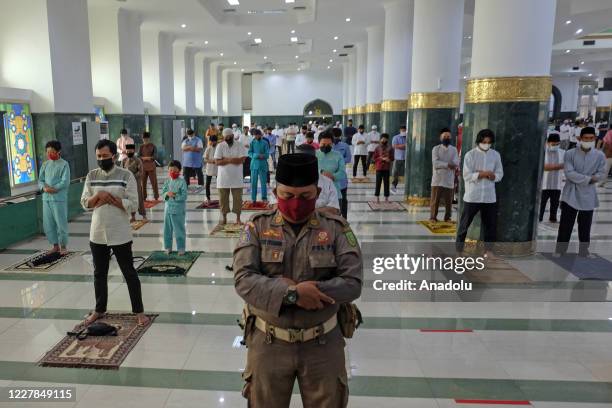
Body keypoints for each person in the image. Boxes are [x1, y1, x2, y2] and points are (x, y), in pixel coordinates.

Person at [233, 153, 363, 408]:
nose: (296, 204)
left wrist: (313, 292)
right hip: (268, 343)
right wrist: (292, 293)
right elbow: (243, 279)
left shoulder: (336, 228)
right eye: (287, 196)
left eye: (305, 197)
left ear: (316, 191)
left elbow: (352, 283)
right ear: (275, 191)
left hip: (323, 345)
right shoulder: (257, 227)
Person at [80, 139, 148, 326]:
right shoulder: (92, 175)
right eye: (99, 156)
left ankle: (139, 312)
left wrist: (113, 200)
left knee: (129, 272)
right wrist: (99, 196)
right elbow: (85, 203)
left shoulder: (126, 176)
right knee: (99, 273)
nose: (102, 159)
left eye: (105, 156)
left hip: (120, 232)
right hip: (98, 232)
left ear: (114, 156)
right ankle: (99, 310)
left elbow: (133, 204)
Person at [555, 127, 607, 257]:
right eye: (586, 138)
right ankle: (560, 250)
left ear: (595, 139)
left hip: (588, 195)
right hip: (570, 194)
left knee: (585, 226)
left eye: (591, 138)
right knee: (565, 225)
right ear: (580, 138)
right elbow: (569, 173)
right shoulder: (570, 153)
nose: (588, 140)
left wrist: (587, 179)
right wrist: (589, 178)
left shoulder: (600, 155)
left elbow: (601, 174)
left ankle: (584, 251)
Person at [456, 129, 504, 253]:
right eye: (484, 141)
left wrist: (493, 176)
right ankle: (458, 249)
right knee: (464, 224)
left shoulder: (495, 155)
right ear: (479, 141)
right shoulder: (470, 155)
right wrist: (482, 174)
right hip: (473, 196)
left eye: (488, 142)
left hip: (489, 197)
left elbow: (499, 174)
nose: (486, 144)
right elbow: (466, 175)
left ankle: (488, 252)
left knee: (490, 226)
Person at [39, 140, 70, 254]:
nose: (49, 154)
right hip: (46, 199)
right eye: (48, 152)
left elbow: (65, 181)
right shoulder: (45, 164)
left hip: (58, 198)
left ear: (58, 152)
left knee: (60, 223)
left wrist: (54, 188)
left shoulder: (64, 164)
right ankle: (55, 245)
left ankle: (63, 246)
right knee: (48, 223)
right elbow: (41, 180)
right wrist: (44, 188)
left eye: (52, 152)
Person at [215, 128, 248, 225]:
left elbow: (241, 160)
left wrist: (225, 159)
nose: (227, 139)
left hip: (236, 177)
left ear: (233, 136)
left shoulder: (239, 145)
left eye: (229, 137)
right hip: (223, 178)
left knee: (238, 199)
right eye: (226, 137)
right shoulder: (220, 146)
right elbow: (217, 162)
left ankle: (238, 218)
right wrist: (232, 160)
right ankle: (224, 218)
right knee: (223, 199)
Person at [296, 144, 340, 214]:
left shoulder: (327, 183)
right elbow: (275, 206)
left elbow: (334, 209)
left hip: (321, 224)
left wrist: (307, 214)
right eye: (298, 160)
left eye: (306, 159)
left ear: (314, 160)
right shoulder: (284, 182)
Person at [430, 128, 459, 222]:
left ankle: (448, 217)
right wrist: (447, 165)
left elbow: (456, 163)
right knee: (435, 200)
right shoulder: (436, 149)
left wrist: (444, 165)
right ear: (440, 137)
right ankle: (433, 217)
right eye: (444, 136)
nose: (446, 138)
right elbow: (435, 163)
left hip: (449, 178)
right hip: (437, 179)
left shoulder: (454, 149)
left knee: (448, 201)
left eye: (448, 136)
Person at [317, 131, 347, 217]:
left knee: (334, 221)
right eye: (323, 144)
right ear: (319, 143)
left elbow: (342, 173)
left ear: (332, 144)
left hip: (335, 192)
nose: (326, 146)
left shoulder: (338, 155)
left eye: (329, 144)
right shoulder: (314, 154)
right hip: (318, 194)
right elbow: (309, 170)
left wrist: (333, 176)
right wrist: (321, 172)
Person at [162, 160, 187, 255]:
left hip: (178, 210)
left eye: (175, 171)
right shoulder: (167, 181)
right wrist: (166, 194)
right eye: (171, 170)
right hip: (168, 209)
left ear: (179, 171)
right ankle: (168, 247)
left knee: (179, 229)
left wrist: (175, 196)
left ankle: (181, 248)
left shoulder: (182, 182)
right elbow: (163, 192)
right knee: (167, 229)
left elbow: (184, 196)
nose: (173, 172)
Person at [540, 133, 565, 223]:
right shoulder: (542, 152)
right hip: (544, 185)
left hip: (556, 185)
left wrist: (551, 167)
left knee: (554, 205)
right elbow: (543, 167)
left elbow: (566, 166)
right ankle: (539, 219)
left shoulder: (563, 153)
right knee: (541, 205)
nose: (555, 146)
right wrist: (559, 166)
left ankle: (553, 218)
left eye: (557, 144)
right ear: (547, 143)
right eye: (553, 144)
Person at [121, 144, 146, 223]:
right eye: (127, 150)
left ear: (134, 151)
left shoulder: (138, 160)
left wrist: (132, 176)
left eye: (130, 150)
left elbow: (141, 172)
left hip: (136, 182)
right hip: (127, 183)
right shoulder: (124, 160)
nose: (129, 151)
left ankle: (144, 215)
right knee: (130, 199)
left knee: (139, 198)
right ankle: (133, 216)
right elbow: (121, 171)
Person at [331, 127, 351, 218]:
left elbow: (349, 158)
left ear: (340, 136)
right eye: (334, 136)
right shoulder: (328, 146)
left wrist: (339, 160)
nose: (335, 138)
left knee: (343, 199)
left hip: (341, 178)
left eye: (337, 136)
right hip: (330, 178)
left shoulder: (345, 146)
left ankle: (344, 219)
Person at [249, 129, 270, 203]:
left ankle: (264, 197)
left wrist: (263, 156)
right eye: (255, 135)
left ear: (261, 135)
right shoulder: (252, 142)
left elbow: (267, 154)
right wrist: (256, 155)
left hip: (262, 165)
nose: (257, 136)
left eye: (258, 135)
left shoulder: (265, 143)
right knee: (253, 183)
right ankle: (253, 198)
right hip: (254, 165)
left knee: (263, 182)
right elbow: (249, 153)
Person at [373, 134, 394, 203]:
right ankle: (377, 197)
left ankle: (386, 198)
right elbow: (374, 158)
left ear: (387, 140)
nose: (384, 140)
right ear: (380, 139)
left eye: (385, 139)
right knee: (378, 183)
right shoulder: (377, 148)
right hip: (379, 168)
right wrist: (381, 158)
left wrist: (389, 159)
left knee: (386, 183)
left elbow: (392, 158)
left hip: (386, 168)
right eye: (382, 139)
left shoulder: (390, 148)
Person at [138, 132, 159, 201]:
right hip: (143, 167)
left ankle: (156, 196)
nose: (145, 140)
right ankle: (144, 197)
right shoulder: (141, 147)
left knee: (154, 182)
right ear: (142, 139)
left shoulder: (153, 146)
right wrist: (144, 158)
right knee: (143, 183)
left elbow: (155, 156)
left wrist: (148, 158)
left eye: (146, 139)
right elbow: (138, 156)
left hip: (151, 167)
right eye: (144, 139)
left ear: (149, 139)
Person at [391, 125, 407, 192]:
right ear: (400, 130)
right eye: (402, 130)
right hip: (398, 157)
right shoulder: (396, 137)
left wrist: (402, 146)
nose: (403, 131)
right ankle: (394, 185)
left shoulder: (408, 137)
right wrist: (404, 146)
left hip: (407, 158)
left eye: (404, 130)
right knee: (395, 172)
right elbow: (394, 146)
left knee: (407, 172)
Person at [204, 135, 218, 204]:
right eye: (211, 141)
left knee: (220, 183)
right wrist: (211, 161)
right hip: (209, 168)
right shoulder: (208, 148)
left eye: (213, 141)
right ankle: (208, 198)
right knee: (207, 184)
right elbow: (205, 159)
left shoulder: (219, 148)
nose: (212, 143)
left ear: (216, 141)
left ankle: (221, 197)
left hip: (218, 168)